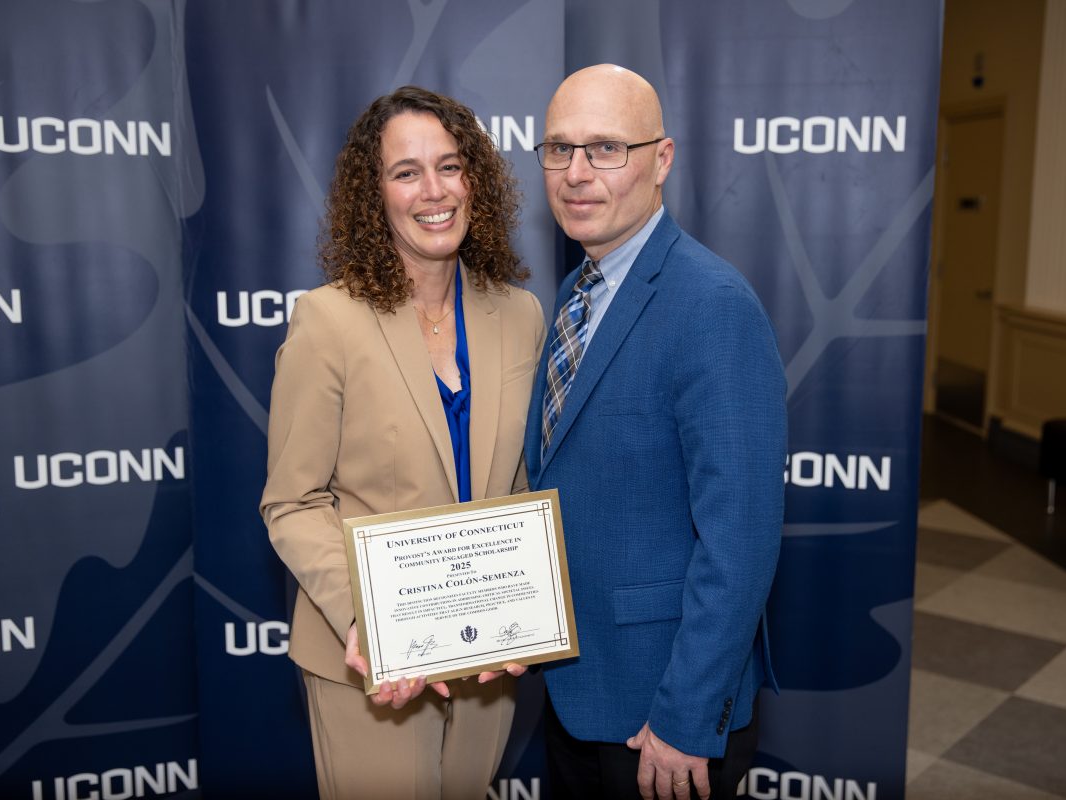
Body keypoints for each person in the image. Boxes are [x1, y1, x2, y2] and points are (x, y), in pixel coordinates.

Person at [261, 85, 544, 800]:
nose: (434, 191)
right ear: (374, 193)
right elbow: (292, 503)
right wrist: (366, 621)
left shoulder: (519, 314)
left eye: (450, 166)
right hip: (368, 663)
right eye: (406, 172)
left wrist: (530, 609)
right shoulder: (327, 322)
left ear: (474, 178)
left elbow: (524, 487)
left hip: (487, 657)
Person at [524, 64, 787, 800]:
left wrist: (685, 715)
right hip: (577, 690)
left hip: (661, 717)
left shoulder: (712, 305)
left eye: (606, 148)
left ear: (662, 159)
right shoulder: (578, 294)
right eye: (558, 148)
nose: (576, 173)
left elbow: (740, 540)